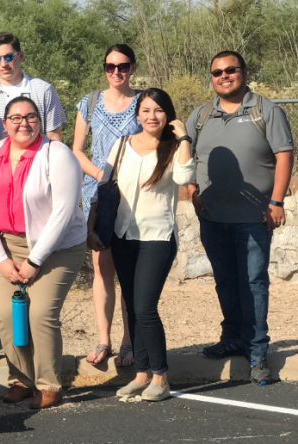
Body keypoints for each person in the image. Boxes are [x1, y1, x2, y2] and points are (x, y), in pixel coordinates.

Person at [0, 97, 87, 409]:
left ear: (40, 120)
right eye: (16, 118)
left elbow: (64, 213)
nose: (24, 123)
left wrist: (35, 260)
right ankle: (21, 379)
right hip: (8, 246)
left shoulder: (57, 154)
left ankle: (49, 385)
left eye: (31, 117)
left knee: (40, 314)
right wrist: (1, 259)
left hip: (58, 247)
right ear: (4, 123)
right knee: (7, 316)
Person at [185, 50, 294, 385]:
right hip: (213, 218)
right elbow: (183, 154)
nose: (224, 76)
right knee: (226, 281)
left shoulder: (266, 110)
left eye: (230, 70)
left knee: (253, 284)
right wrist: (192, 191)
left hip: (254, 217)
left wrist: (276, 201)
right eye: (217, 72)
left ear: (244, 72)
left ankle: (257, 351)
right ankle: (232, 338)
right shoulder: (202, 115)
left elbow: (284, 154)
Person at [88, 89, 195, 402]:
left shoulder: (174, 148)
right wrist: (93, 226)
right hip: (123, 236)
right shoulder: (123, 144)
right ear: (137, 115)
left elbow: (185, 177)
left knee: (146, 308)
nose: (152, 116)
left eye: (158, 110)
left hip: (157, 238)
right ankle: (141, 374)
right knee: (133, 307)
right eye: (146, 110)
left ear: (168, 115)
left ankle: (161, 377)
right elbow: (105, 186)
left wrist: (184, 138)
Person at [71, 44, 143, 367]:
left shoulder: (144, 102)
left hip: (134, 194)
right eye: (110, 66)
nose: (116, 72)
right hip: (98, 194)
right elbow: (77, 150)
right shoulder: (89, 103)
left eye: (123, 66)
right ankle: (104, 339)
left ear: (133, 68)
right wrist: (104, 176)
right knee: (102, 268)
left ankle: (130, 341)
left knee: (129, 269)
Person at [0, 32, 65, 142]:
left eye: (9, 57)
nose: (3, 64)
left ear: (21, 56)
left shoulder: (44, 90)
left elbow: (54, 137)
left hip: (38, 152)